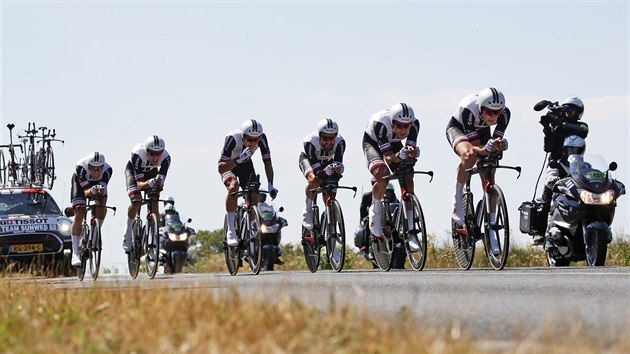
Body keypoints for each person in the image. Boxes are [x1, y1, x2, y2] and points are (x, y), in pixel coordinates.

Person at [446, 87, 510, 256]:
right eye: (489, 112)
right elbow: (475, 148)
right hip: (459, 128)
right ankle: (457, 197)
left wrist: (499, 145)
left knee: (490, 165)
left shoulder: (505, 114)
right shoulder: (469, 109)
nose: (493, 117)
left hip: (481, 131)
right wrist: (486, 148)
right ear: (481, 108)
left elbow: (496, 143)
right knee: (469, 156)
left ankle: (491, 228)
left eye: (497, 113)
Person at [362, 102, 420, 251]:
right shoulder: (381, 124)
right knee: (382, 174)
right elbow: (388, 156)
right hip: (373, 143)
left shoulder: (415, 125)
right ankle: (375, 211)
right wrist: (398, 157)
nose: (403, 129)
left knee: (408, 174)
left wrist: (412, 153)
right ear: (392, 123)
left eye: (406, 126)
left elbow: (409, 150)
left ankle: (411, 230)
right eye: (399, 126)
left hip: (393, 144)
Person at [535, 97, 588, 245]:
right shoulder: (557, 127)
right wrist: (547, 129)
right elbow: (548, 148)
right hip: (556, 164)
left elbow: (583, 132)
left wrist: (561, 123)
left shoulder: (581, 126)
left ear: (578, 113)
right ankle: (539, 232)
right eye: (567, 110)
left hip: (576, 166)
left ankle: (578, 225)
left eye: (572, 111)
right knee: (549, 188)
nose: (569, 113)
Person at [218, 119, 278, 246]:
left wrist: (270, 184)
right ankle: (231, 230)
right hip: (230, 165)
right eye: (249, 140)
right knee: (233, 186)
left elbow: (267, 162)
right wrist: (238, 159)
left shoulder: (262, 139)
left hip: (246, 165)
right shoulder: (233, 138)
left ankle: (251, 226)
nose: (252, 143)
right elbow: (221, 167)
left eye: (255, 140)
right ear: (243, 136)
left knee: (254, 191)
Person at [122, 135, 171, 252]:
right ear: (146, 151)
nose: (155, 157)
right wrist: (149, 183)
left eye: (158, 153)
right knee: (136, 200)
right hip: (134, 174)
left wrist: (158, 183)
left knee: (155, 201)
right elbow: (139, 183)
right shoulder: (138, 154)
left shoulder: (166, 158)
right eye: (152, 153)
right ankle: (128, 232)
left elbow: (161, 184)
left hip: (151, 173)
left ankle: (153, 236)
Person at [299, 119, 346, 230]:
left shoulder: (341, 142)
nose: (329, 142)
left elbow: (338, 162)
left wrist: (338, 169)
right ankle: (308, 210)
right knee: (314, 179)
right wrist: (324, 172)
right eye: (325, 138)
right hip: (309, 161)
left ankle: (332, 238)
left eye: (332, 138)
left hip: (327, 162)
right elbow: (318, 172)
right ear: (319, 136)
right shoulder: (310, 141)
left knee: (331, 195)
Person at [69, 152, 113, 266]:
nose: (96, 172)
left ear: (103, 167)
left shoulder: (108, 170)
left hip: (97, 184)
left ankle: (95, 233)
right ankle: (75, 253)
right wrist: (92, 191)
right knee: (80, 212)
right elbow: (85, 192)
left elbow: (102, 191)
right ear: (88, 167)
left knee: (102, 205)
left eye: (99, 169)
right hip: (80, 185)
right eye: (93, 169)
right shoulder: (81, 167)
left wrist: (99, 191)